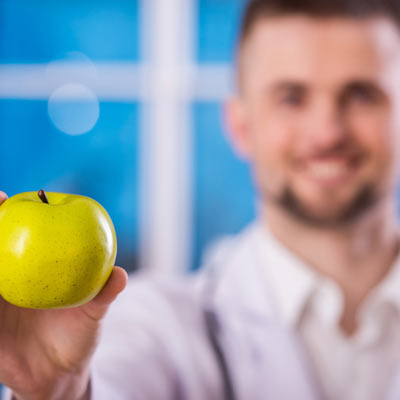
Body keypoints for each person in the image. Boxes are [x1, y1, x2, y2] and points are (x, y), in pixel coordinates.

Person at [3, 0, 400, 398]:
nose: (327, 132)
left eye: (362, 95)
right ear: (240, 125)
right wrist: (58, 392)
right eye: (291, 98)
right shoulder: (154, 326)